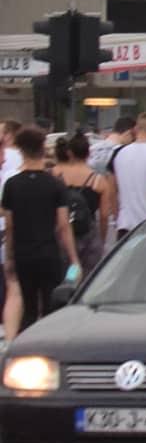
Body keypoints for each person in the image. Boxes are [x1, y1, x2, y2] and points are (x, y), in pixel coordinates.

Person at [2, 126, 79, 339]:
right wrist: (73, 258)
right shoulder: (54, 184)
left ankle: (25, 350)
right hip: (49, 253)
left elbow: (10, 225)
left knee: (27, 307)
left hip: (23, 254)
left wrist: (9, 256)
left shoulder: (12, 185)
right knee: (50, 305)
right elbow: (63, 225)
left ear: (21, 151)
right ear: (43, 150)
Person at [50, 132, 109, 274]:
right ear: (88, 154)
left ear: (69, 153)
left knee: (65, 273)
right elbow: (104, 215)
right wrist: (101, 238)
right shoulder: (98, 180)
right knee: (88, 277)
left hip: (60, 232)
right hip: (88, 233)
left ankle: (68, 289)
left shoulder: (54, 175)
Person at [109, 113, 146, 239]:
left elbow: (112, 190)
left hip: (125, 225)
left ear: (136, 129)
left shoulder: (118, 154)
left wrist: (117, 217)